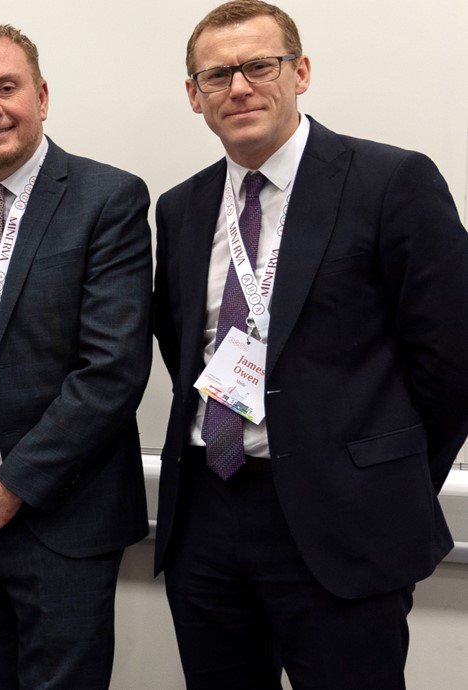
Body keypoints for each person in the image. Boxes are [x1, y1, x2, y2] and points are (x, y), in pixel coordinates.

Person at [152, 2, 468, 688]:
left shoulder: (391, 182)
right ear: (194, 96)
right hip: (208, 516)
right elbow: (183, 351)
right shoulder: (179, 210)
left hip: (345, 525)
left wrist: (385, 485)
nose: (238, 88)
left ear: (300, 71)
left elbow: (451, 363)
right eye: (216, 75)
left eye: (258, 66)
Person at [0, 24, 152, 690]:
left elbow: (111, 369)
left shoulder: (106, 199)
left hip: (61, 519)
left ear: (42, 96)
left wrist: (15, 485)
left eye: (6, 87)